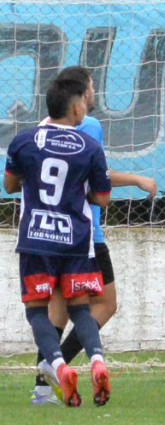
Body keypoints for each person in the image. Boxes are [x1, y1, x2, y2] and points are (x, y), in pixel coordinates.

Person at [30, 66, 158, 406]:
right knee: (105, 303)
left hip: (47, 233)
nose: (95, 92)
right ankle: (56, 366)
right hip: (86, 234)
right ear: (80, 96)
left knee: (58, 308)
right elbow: (98, 179)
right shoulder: (87, 127)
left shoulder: (40, 131)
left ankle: (43, 387)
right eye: (91, 86)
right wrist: (137, 180)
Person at [5, 76, 111, 407]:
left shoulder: (23, 142)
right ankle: (97, 361)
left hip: (37, 240)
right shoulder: (90, 147)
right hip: (76, 240)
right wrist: (80, 193)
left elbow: (10, 185)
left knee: (37, 311)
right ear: (76, 107)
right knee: (80, 308)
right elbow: (103, 198)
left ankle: (59, 366)